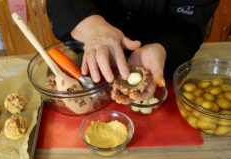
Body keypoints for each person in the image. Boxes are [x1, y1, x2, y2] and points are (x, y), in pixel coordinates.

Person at [46, 0, 219, 100]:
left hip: (155, 60)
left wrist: (163, 47)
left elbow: (187, 26)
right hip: (88, 47)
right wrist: (90, 25)